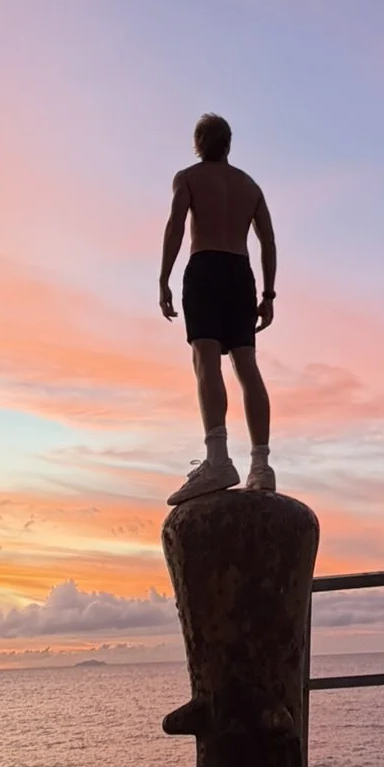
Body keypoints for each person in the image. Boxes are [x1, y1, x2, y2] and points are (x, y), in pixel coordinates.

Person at [159, 113, 277, 503]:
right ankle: (261, 465)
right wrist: (268, 295)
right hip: (240, 272)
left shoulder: (189, 177)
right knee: (246, 365)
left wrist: (164, 279)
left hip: (206, 266)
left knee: (206, 361)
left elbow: (175, 225)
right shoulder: (249, 186)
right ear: (228, 145)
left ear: (199, 143)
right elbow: (268, 242)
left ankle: (218, 459)